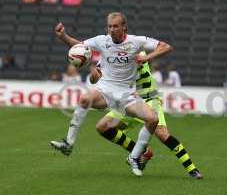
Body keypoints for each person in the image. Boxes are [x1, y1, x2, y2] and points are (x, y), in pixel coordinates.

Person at [49, 12, 173, 177]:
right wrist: (63, 36)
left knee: (152, 119)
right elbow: (80, 47)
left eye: (115, 26)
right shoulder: (102, 40)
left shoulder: (136, 42)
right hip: (105, 90)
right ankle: (69, 143)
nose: (112, 30)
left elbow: (166, 47)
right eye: (109, 26)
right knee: (85, 99)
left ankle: (135, 157)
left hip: (127, 94)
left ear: (124, 27)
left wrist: (147, 57)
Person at [91, 60, 203, 180]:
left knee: (162, 134)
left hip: (149, 98)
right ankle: (142, 152)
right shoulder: (108, 55)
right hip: (129, 101)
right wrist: (95, 74)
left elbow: (144, 58)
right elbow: (95, 79)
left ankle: (192, 169)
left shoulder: (135, 48)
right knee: (103, 126)